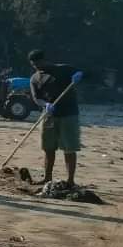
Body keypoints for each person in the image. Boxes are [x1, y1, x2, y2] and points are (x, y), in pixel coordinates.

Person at [28, 49, 85, 186]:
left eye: (39, 63)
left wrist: (80, 75)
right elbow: (37, 98)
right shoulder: (35, 78)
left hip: (69, 114)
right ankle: (47, 177)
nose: (37, 67)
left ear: (45, 59)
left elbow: (88, 74)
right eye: (34, 65)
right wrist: (45, 104)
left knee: (69, 148)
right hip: (49, 115)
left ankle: (70, 180)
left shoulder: (64, 69)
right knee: (48, 148)